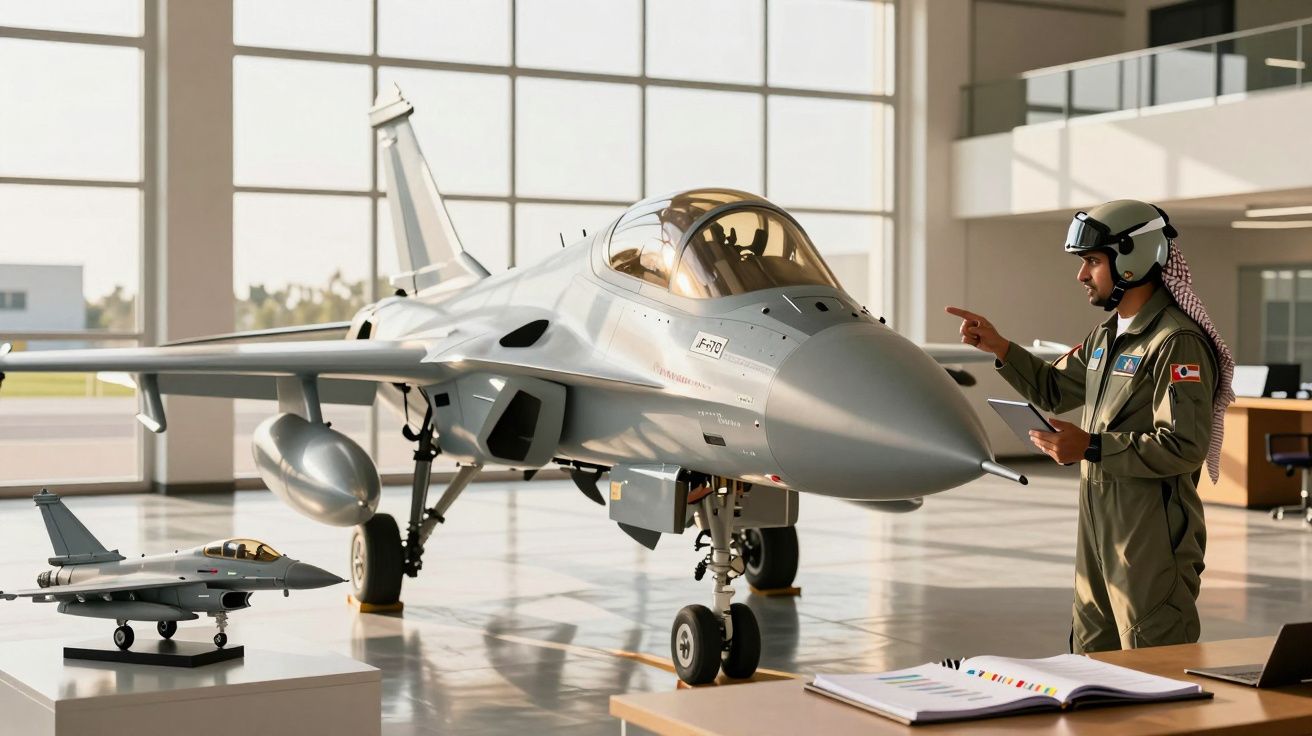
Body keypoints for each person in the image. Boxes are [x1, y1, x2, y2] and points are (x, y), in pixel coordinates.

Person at [946, 199, 1235, 653]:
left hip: (1151, 538)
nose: (1082, 275)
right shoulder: (1105, 337)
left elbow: (1184, 446)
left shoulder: (1176, 342)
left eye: (1093, 262)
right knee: (1091, 655)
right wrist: (1000, 347)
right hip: (1099, 528)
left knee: (1154, 661)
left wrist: (1092, 447)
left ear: (1132, 258)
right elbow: (1056, 390)